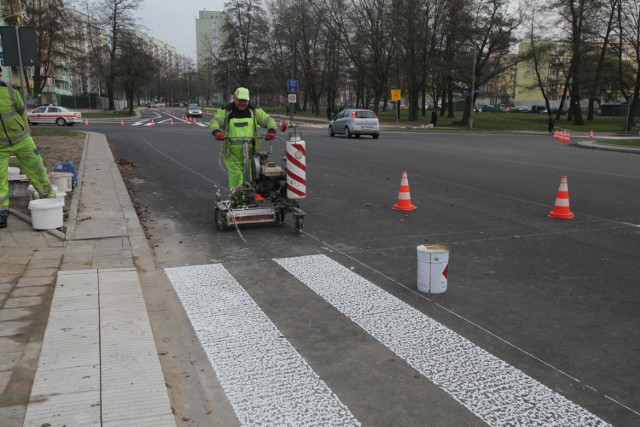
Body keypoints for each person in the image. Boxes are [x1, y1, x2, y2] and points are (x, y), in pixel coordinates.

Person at [0, 69, 56, 229]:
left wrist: (22, 127)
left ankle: (50, 199)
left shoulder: (10, 90)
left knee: (36, 167)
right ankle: (1, 214)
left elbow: (21, 110)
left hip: (22, 139)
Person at [209, 87, 277, 190]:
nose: (243, 103)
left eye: (245, 101)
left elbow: (269, 121)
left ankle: (247, 199)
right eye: (240, 100)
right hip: (232, 154)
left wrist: (271, 130)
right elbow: (214, 122)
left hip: (250, 154)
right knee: (237, 178)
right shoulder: (226, 111)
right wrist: (216, 132)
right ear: (234, 98)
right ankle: (239, 201)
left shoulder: (254, 111)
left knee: (249, 178)